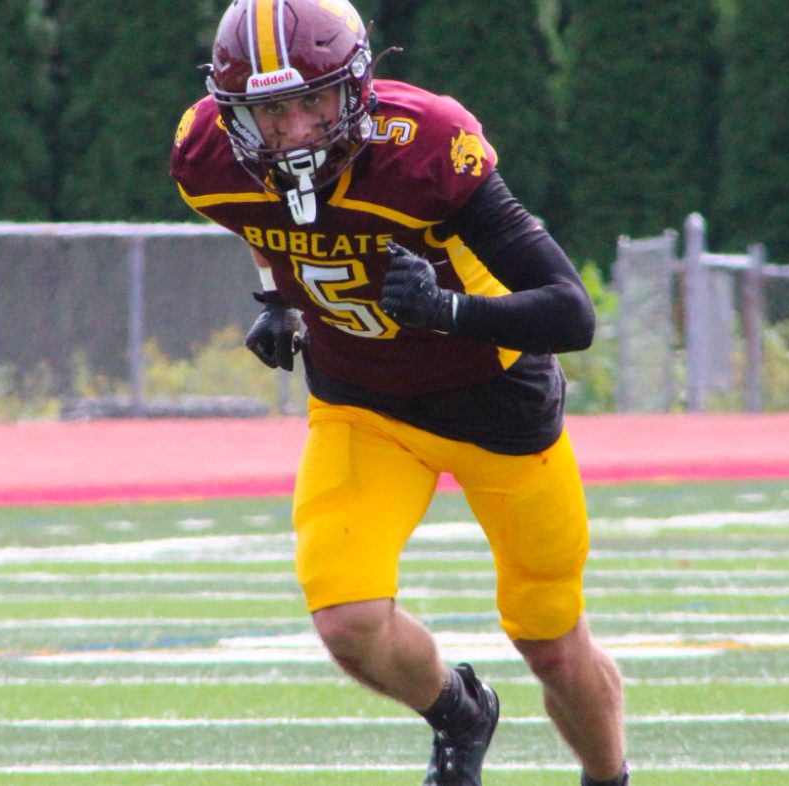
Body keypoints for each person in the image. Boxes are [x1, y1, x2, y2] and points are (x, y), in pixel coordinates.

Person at [170, 1, 628, 784]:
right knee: (347, 621)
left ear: (355, 88)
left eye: (313, 101)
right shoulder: (208, 155)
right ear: (236, 115)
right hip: (362, 405)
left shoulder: (425, 146)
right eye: (272, 112)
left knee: (549, 639)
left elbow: (570, 312)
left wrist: (449, 310)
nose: (299, 129)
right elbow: (262, 225)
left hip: (497, 407)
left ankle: (607, 776)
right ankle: (457, 710)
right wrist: (278, 301)